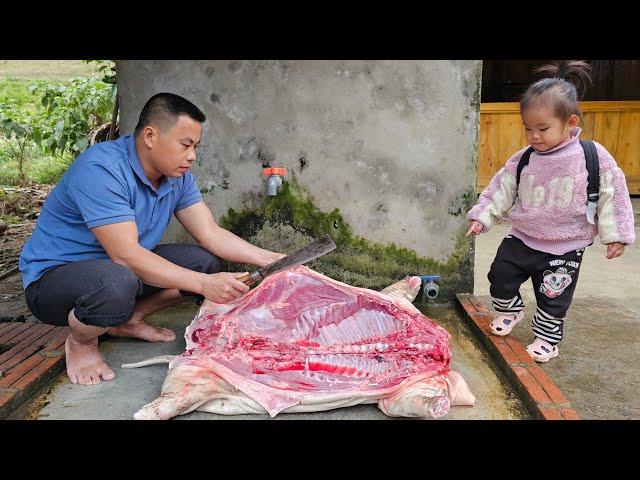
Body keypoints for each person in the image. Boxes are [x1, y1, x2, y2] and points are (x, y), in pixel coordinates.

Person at [19, 92, 285, 385]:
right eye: (185, 145)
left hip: (118, 271)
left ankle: (127, 319)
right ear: (149, 136)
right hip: (54, 280)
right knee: (118, 283)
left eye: (196, 146)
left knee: (203, 262)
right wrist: (204, 285)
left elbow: (211, 233)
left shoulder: (177, 178)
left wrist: (270, 259)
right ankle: (82, 342)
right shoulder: (102, 169)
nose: (192, 155)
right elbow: (126, 256)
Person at [466, 61, 636, 362]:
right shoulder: (524, 159)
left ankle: (547, 338)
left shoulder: (591, 156)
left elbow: (613, 194)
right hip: (523, 236)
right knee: (499, 276)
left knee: (553, 297)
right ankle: (511, 310)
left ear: (570, 123)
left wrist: (616, 235)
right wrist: (482, 216)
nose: (534, 136)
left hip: (565, 245)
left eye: (543, 129)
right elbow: (501, 188)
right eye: (528, 128)